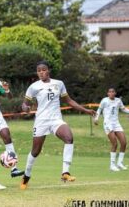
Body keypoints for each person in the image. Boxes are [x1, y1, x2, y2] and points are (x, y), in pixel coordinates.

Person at [20, 61, 96, 190]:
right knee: (35, 151)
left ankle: (65, 173)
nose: (41, 72)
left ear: (48, 70)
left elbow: (69, 101)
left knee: (69, 138)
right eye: (38, 71)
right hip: (41, 121)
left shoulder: (59, 84)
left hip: (56, 120)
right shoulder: (34, 87)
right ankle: (26, 176)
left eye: (43, 70)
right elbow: (25, 103)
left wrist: (86, 110)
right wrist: (25, 108)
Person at [94, 88, 129, 171]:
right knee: (114, 144)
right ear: (107, 93)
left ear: (115, 93)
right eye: (109, 92)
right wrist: (96, 118)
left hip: (116, 124)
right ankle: (112, 165)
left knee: (124, 142)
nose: (111, 93)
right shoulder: (104, 100)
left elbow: (124, 109)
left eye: (113, 92)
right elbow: (99, 109)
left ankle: (120, 163)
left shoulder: (118, 100)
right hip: (108, 124)